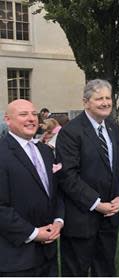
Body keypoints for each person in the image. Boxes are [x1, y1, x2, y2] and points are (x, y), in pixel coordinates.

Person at [56, 79, 119, 276]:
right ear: (86, 102)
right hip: (81, 218)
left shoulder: (113, 128)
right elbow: (67, 176)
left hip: (110, 217)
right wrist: (96, 203)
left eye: (108, 98)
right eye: (99, 98)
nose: (105, 103)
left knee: (105, 269)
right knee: (76, 271)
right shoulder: (71, 132)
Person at [0, 99, 64, 276]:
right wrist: (34, 233)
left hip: (48, 253)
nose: (31, 119)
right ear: (8, 119)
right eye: (23, 114)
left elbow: (55, 191)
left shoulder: (45, 151)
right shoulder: (2, 153)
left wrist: (59, 221)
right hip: (16, 257)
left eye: (34, 114)